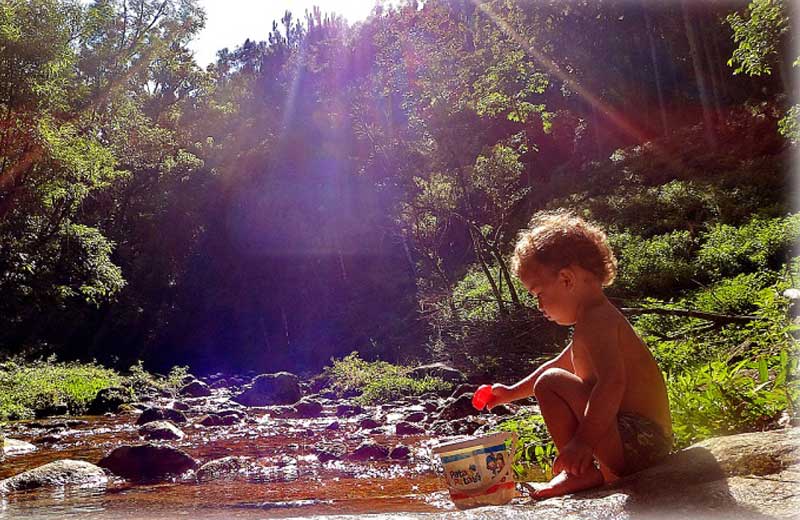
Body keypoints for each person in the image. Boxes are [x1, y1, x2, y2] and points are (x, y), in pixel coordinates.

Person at [484, 209, 673, 499]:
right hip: (636, 439)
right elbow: (559, 363)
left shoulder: (598, 319)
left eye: (538, 294)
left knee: (551, 382)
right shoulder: (593, 320)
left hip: (643, 440)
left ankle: (581, 471)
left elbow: (612, 382)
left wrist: (583, 442)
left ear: (567, 279)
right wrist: (509, 393)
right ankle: (588, 472)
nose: (539, 306)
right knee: (549, 380)